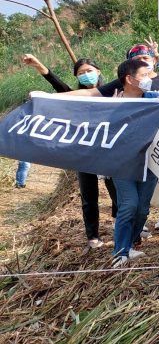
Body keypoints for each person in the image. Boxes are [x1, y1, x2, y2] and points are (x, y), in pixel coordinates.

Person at [21, 54, 117, 248]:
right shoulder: (74, 96)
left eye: (89, 71)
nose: (86, 75)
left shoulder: (113, 93)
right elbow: (56, 83)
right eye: (81, 73)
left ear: (98, 71)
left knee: (117, 192)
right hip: (83, 153)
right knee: (89, 196)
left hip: (108, 151)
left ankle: (119, 225)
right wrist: (38, 64)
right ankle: (93, 236)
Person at [109, 59, 159, 267]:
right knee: (129, 204)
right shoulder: (113, 103)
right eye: (144, 75)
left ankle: (130, 243)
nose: (149, 79)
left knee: (142, 209)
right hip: (122, 163)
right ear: (130, 79)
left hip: (150, 160)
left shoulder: (155, 99)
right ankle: (120, 251)